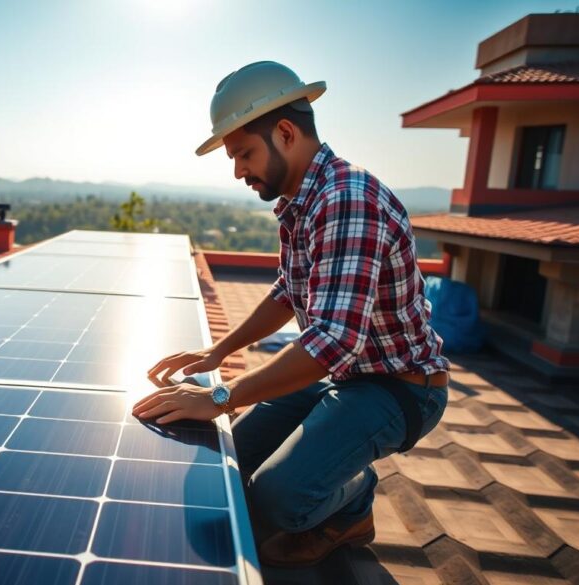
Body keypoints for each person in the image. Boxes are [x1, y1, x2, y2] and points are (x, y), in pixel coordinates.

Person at [132, 61, 450, 568]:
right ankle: (337, 481)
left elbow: (332, 342)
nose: (237, 170)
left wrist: (220, 396)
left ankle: (356, 495)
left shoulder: (348, 201)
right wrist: (218, 351)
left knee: (275, 496)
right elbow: (288, 292)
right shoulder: (302, 202)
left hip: (398, 387)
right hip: (343, 376)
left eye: (243, 153)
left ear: (284, 133)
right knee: (239, 455)